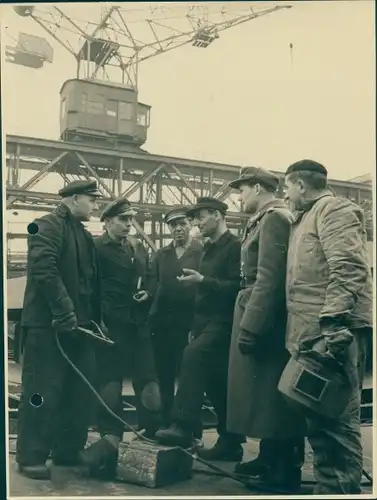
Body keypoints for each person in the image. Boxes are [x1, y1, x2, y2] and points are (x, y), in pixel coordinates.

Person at [284, 159, 373, 494]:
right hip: (311, 334)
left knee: (336, 420)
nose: (286, 195)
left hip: (333, 333)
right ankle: (329, 487)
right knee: (319, 420)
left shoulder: (334, 210)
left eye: (287, 187)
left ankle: (339, 490)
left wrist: (332, 324)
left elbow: (349, 267)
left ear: (300, 185)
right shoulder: (305, 218)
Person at [226, 167, 306, 493]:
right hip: (253, 306)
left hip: (265, 317)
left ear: (258, 187)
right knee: (261, 396)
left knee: (274, 396)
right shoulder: (263, 218)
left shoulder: (275, 218)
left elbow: (270, 279)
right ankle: (269, 457)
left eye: (242, 189)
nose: (239, 196)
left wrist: (252, 326)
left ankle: (284, 470)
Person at [16, 180, 102, 480]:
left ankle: (67, 450)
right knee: (42, 390)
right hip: (47, 326)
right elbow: (44, 269)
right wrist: (64, 311)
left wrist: (93, 321)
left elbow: (90, 284)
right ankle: (31, 456)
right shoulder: (43, 226)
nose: (95, 205)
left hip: (78, 328)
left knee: (79, 391)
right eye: (92, 199)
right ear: (73, 198)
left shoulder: (84, 236)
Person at [155, 197, 245, 460]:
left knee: (192, 355)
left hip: (225, 321)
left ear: (217, 216)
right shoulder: (210, 248)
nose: (195, 223)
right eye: (193, 219)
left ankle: (183, 426)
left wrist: (203, 280)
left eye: (200, 217)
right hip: (206, 322)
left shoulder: (234, 246)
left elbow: (238, 287)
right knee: (217, 383)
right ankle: (230, 443)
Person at [79, 197, 162, 479]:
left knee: (148, 379)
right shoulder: (96, 248)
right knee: (110, 381)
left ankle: (151, 432)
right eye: (123, 220)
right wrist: (96, 320)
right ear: (107, 222)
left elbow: (152, 276)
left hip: (138, 325)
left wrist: (147, 292)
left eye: (130, 219)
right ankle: (110, 436)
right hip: (110, 326)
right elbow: (89, 284)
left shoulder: (137, 247)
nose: (129, 225)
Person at [149, 206, 203, 428]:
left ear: (190, 225)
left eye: (182, 224)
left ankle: (188, 427)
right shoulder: (161, 255)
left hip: (190, 324)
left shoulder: (202, 252)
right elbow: (153, 284)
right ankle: (165, 423)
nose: (178, 229)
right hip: (162, 325)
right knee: (164, 374)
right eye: (173, 225)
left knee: (190, 377)